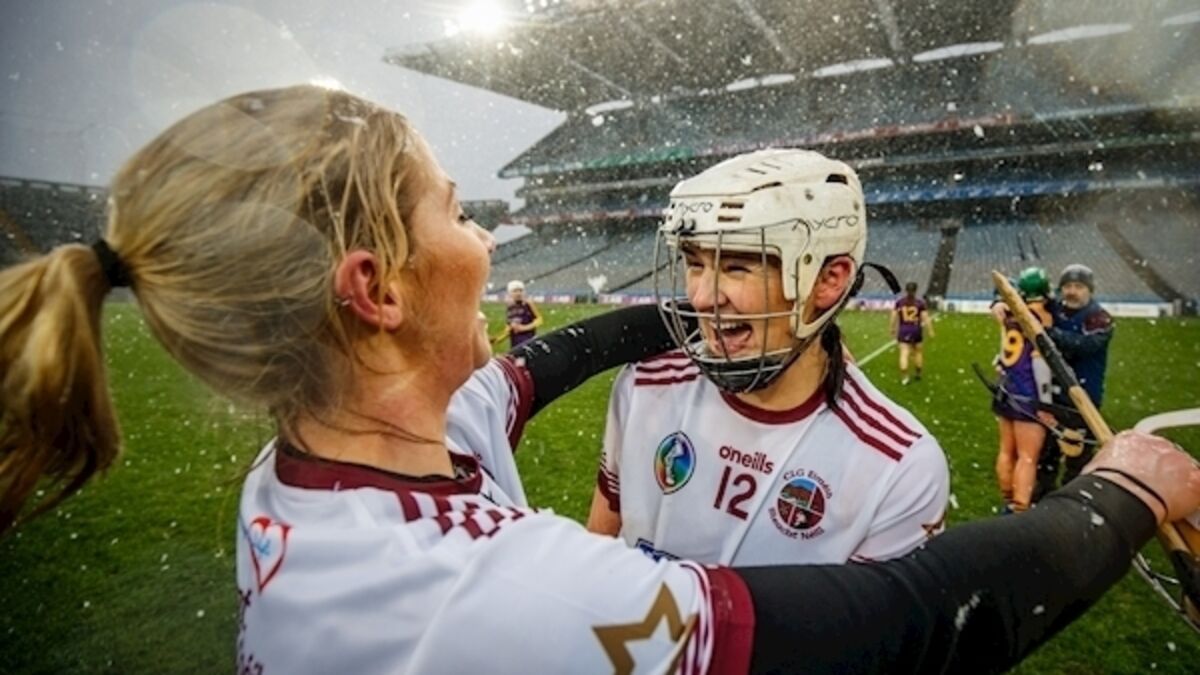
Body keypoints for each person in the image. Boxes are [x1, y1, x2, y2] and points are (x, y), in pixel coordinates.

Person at [2, 86, 1198, 675]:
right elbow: (897, 624)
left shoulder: (311, 470)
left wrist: (701, 314)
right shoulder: (492, 596)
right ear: (377, 290)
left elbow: (549, 361)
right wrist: (1128, 490)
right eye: (456, 212)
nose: (484, 241)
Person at [587, 149, 950, 565]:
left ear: (829, 280)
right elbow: (598, 557)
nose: (702, 297)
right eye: (694, 263)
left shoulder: (899, 469)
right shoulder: (645, 385)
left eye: (736, 267)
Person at [1035, 264, 1115, 497]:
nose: (1072, 292)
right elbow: (1022, 298)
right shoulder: (1056, 309)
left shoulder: (1099, 317)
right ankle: (1043, 500)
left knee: (1077, 459)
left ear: (1090, 290)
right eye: (1068, 286)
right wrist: (997, 304)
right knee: (1046, 454)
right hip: (1053, 395)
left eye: (1079, 286)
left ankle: (1071, 503)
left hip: (1083, 397)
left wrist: (1048, 334)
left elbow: (1085, 345)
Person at [991, 267, 1055, 513]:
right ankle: (1019, 509)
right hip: (1028, 391)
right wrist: (1046, 403)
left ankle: (1007, 501)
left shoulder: (1011, 313)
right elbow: (1040, 361)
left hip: (1007, 386)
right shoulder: (1041, 316)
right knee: (1027, 457)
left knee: (1006, 451)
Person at [890, 281, 934, 384]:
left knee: (904, 353)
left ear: (906, 290)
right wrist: (930, 330)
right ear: (915, 290)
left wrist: (892, 328)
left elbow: (893, 316)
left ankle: (905, 377)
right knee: (918, 352)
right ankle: (918, 373)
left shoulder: (900, 302)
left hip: (904, 330)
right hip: (916, 330)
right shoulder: (920, 303)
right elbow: (926, 318)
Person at [492, 279, 543, 349]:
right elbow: (509, 328)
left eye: (521, 290)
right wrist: (498, 339)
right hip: (515, 344)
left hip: (528, 341)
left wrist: (524, 328)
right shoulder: (510, 307)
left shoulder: (527, 304)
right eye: (515, 291)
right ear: (510, 293)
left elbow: (539, 320)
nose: (518, 293)